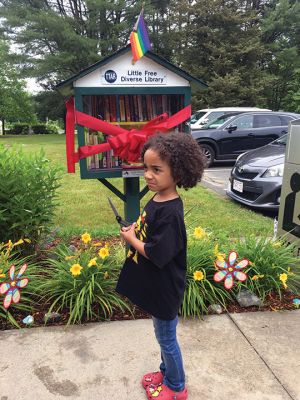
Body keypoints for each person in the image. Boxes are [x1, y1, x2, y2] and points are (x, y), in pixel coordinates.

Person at [116, 131, 205, 400]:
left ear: (177, 172)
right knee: (162, 336)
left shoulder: (172, 213)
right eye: (146, 168)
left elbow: (157, 253)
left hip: (166, 288)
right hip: (157, 285)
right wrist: (136, 229)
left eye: (156, 169)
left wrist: (131, 238)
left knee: (166, 338)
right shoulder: (158, 198)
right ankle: (166, 373)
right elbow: (149, 230)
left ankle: (176, 386)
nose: (148, 175)